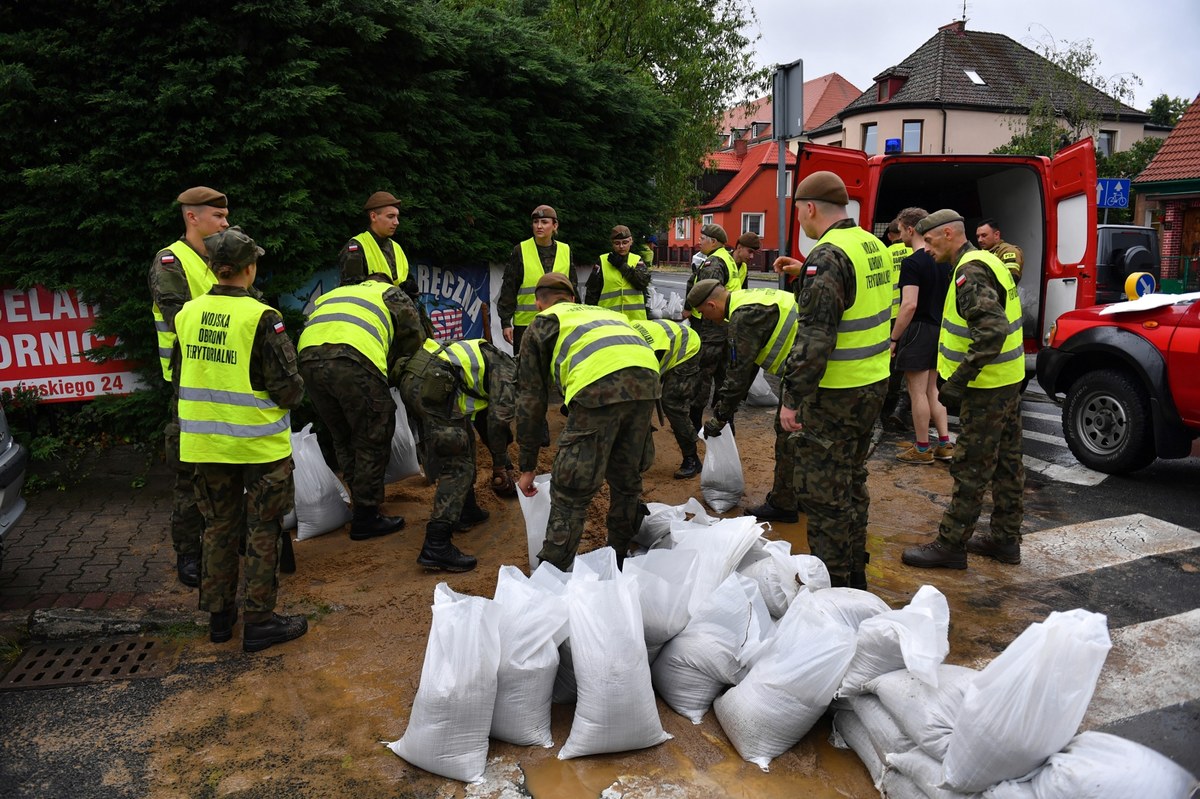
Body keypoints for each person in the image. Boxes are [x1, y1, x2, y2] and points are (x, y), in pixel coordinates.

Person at [174, 227, 307, 652]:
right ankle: (261, 620)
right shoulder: (262, 317)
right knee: (263, 527)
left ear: (213, 267)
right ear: (249, 268)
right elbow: (288, 389)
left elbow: (180, 375)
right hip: (258, 445)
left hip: (204, 445)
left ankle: (219, 619)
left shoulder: (187, 314)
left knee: (217, 525)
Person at [772, 171, 893, 590]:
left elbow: (816, 338)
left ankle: (833, 592)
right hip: (872, 385)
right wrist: (806, 269)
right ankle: (854, 574)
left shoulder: (827, 257)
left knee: (824, 495)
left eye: (799, 213)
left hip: (835, 396)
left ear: (808, 208)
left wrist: (791, 399)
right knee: (852, 482)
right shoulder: (871, 245)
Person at [902, 210, 1025, 570]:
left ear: (950, 234)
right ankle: (1005, 540)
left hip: (986, 388)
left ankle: (951, 544)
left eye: (930, 241)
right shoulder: (987, 259)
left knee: (970, 467)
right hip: (1006, 381)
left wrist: (956, 383)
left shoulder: (968, 272)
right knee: (1007, 465)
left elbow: (992, 331)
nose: (925, 249)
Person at [515, 272, 660, 570]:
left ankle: (551, 577)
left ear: (538, 303)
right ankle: (618, 559)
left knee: (571, 490)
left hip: (598, 385)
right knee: (626, 480)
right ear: (572, 299)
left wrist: (527, 465)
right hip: (648, 379)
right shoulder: (604, 313)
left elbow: (531, 399)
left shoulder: (543, 322)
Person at [297, 256, 426, 541]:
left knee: (342, 434)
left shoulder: (334, 295)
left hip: (308, 360)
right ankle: (367, 516)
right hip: (352, 360)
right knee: (372, 433)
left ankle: (360, 500)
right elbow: (414, 341)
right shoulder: (389, 292)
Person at [149, 186, 230, 588]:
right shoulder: (170, 261)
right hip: (191, 383)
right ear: (192, 217)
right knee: (190, 473)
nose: (226, 223)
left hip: (228, 380)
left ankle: (226, 543)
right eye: (218, 216)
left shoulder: (221, 256)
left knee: (229, 468)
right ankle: (188, 554)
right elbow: (179, 315)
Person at [399, 337, 518, 572]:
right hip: (433, 388)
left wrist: (501, 461)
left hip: (419, 379)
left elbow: (484, 419)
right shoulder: (507, 376)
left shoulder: (497, 360)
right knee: (458, 463)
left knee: (463, 435)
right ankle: (436, 544)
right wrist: (500, 468)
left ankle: (466, 509)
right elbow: (497, 423)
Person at [687, 280, 801, 522]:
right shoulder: (748, 297)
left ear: (711, 304)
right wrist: (725, 411)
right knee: (803, 437)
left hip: (806, 372)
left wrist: (720, 416)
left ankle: (784, 503)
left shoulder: (742, 317)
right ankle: (802, 493)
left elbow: (738, 373)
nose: (706, 319)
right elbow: (749, 368)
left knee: (788, 435)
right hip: (815, 363)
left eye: (704, 313)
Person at [889, 207, 954, 464]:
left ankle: (923, 448)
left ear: (910, 229)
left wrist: (894, 338)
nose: (900, 234)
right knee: (933, 391)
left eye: (901, 228)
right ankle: (945, 444)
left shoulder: (913, 262)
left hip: (918, 330)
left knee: (916, 392)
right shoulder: (942, 260)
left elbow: (909, 305)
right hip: (940, 330)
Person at [337, 190, 433, 336]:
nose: (396, 222)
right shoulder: (356, 247)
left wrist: (410, 289)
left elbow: (407, 284)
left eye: (397, 217)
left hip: (402, 324)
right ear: (373, 216)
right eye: (390, 216)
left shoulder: (397, 247)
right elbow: (352, 296)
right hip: (373, 327)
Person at [498, 204, 577, 356]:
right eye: (535, 222)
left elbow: (572, 287)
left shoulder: (565, 250)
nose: (539, 226)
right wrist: (506, 323)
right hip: (527, 325)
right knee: (526, 370)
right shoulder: (520, 250)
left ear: (555, 225)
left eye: (544, 222)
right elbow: (509, 287)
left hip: (560, 322)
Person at [630, 319, 703, 479]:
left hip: (686, 347)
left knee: (672, 404)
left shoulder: (637, 355)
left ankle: (691, 459)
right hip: (661, 344)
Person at [684, 223, 740, 434]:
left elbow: (707, 295)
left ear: (713, 242)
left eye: (703, 238)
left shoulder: (714, 262)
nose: (699, 241)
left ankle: (695, 422)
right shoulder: (728, 259)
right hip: (726, 327)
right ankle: (725, 423)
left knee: (702, 374)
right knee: (723, 376)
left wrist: (691, 309)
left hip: (712, 328)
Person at [880, 219, 914, 431]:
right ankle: (901, 409)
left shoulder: (885, 254)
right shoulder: (916, 253)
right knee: (909, 366)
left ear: (891, 235)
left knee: (889, 365)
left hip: (889, 317)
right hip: (910, 315)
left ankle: (886, 409)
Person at [584, 224, 650, 319]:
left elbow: (642, 283)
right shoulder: (602, 261)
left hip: (634, 320)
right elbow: (592, 293)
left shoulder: (637, 260)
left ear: (631, 241)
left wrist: (621, 266)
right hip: (608, 320)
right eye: (617, 243)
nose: (621, 246)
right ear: (612, 243)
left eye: (625, 242)